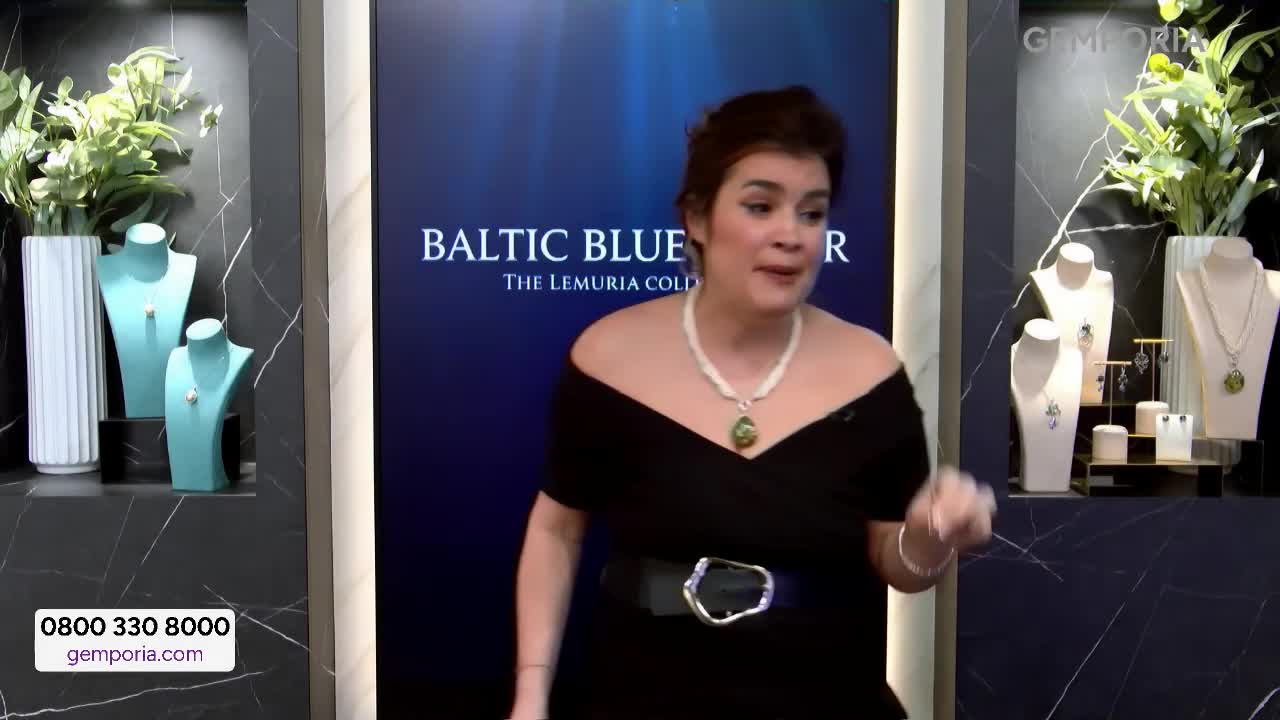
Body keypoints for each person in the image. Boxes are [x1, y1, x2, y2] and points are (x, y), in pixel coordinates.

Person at [507, 85, 996, 720]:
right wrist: (529, 694)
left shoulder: (871, 371)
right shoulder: (606, 358)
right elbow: (556, 529)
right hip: (642, 696)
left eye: (812, 213)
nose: (790, 235)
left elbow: (895, 560)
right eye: (761, 206)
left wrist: (933, 539)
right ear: (698, 218)